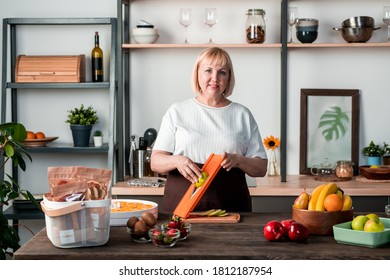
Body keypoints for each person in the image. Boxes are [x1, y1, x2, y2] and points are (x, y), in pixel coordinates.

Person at [151, 47, 268, 212]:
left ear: (228, 78)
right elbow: (155, 162)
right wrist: (177, 160)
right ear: (197, 74)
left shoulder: (242, 114)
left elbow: (261, 168)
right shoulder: (177, 111)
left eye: (222, 72)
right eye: (208, 71)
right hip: (180, 208)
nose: (215, 78)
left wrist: (239, 160)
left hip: (231, 209)